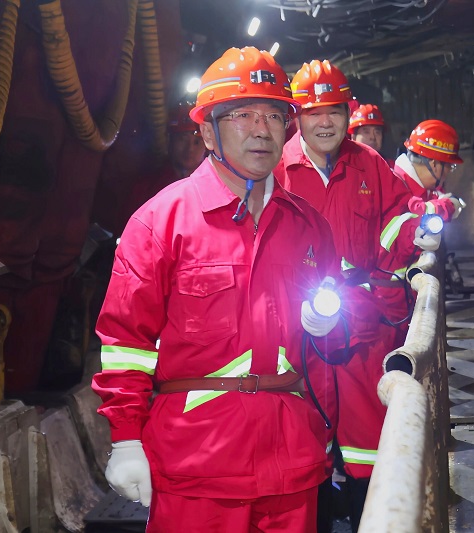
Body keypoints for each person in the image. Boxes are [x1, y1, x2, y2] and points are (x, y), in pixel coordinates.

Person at [92, 46, 347, 533]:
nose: (261, 129)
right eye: (243, 115)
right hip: (197, 466)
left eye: (274, 115)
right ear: (208, 132)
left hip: (291, 463)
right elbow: (126, 343)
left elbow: (328, 356)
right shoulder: (160, 223)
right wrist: (125, 439)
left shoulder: (310, 228)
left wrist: (329, 329)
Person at [274, 58, 438, 532]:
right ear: (297, 116)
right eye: (313, 111)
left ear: (348, 113)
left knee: (370, 445)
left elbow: (395, 219)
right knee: (307, 451)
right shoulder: (278, 170)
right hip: (300, 334)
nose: (325, 122)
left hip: (363, 330)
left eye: (334, 110)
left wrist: (414, 233)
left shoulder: (368, 164)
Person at [393, 119, 466, 222]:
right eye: (449, 165)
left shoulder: (423, 188)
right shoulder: (395, 187)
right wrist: (448, 206)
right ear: (434, 164)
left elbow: (436, 197)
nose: (449, 171)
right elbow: (417, 212)